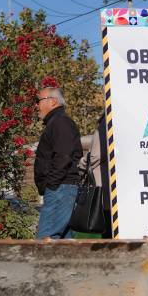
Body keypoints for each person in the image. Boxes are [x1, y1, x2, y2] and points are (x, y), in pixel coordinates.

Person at [33, 86, 83, 240]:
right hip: (60, 189)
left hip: (60, 189)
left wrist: (52, 185)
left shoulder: (61, 123)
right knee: (64, 245)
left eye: (38, 101)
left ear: (52, 101)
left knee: (45, 241)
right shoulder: (56, 123)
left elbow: (63, 156)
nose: (36, 106)